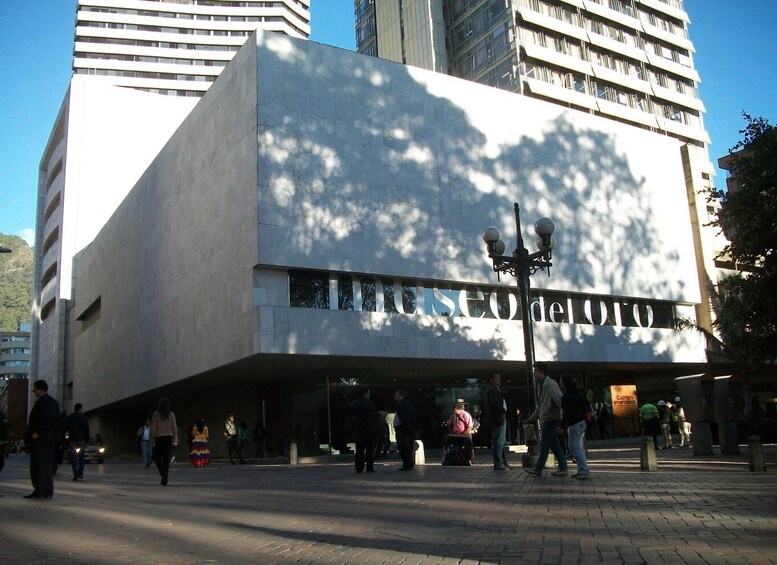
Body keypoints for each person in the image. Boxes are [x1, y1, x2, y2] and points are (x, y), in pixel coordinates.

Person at [523, 363, 568, 477]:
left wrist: (563, 417)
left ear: (542, 371)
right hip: (547, 418)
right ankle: (563, 467)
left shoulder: (550, 384)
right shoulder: (541, 386)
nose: (534, 373)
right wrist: (531, 419)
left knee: (545, 444)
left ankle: (538, 468)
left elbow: (559, 400)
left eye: (536, 371)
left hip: (551, 418)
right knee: (554, 444)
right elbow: (540, 406)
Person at [25, 379, 61, 499]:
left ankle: (39, 489)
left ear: (39, 389)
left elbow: (43, 418)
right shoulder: (53, 402)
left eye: (34, 389)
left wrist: (37, 432)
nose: (33, 391)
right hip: (50, 439)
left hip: (40, 439)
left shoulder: (41, 402)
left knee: (38, 465)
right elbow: (57, 420)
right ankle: (47, 490)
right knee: (47, 465)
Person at [560, 375, 590, 479]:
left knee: (574, 447)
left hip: (575, 423)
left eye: (561, 381)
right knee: (577, 446)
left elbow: (566, 412)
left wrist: (562, 425)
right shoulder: (576, 393)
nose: (560, 383)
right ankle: (582, 469)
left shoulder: (567, 395)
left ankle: (584, 469)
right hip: (580, 422)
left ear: (564, 383)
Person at [483, 373, 510, 470]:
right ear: (491, 379)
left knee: (500, 440)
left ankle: (502, 462)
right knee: (499, 440)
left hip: (498, 417)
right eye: (497, 378)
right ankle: (499, 463)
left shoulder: (491, 389)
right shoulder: (492, 389)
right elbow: (494, 403)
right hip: (498, 418)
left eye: (499, 378)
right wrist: (502, 411)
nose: (499, 380)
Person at [150, 397, 178, 485]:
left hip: (159, 437)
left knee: (156, 457)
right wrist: (175, 437)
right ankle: (164, 478)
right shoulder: (171, 414)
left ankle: (163, 473)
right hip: (169, 437)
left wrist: (151, 438)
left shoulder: (156, 414)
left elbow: (153, 428)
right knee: (166, 458)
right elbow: (174, 427)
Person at [349, 386, 377, 473]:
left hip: (359, 429)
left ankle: (359, 467)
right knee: (369, 449)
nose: (369, 395)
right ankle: (369, 467)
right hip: (369, 429)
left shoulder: (353, 404)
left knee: (359, 450)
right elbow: (372, 417)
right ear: (365, 394)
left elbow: (350, 417)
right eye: (368, 393)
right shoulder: (369, 404)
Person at [64, 403, 90, 481]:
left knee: (74, 458)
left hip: (73, 439)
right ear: (80, 409)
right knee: (82, 457)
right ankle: (80, 474)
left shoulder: (70, 417)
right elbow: (87, 430)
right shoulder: (84, 418)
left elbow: (65, 427)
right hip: (82, 440)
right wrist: (87, 440)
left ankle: (75, 475)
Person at [393, 389, 417, 471]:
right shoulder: (403, 404)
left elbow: (405, 417)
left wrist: (405, 426)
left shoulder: (404, 404)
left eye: (397, 394)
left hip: (403, 430)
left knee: (404, 447)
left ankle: (408, 464)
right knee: (404, 447)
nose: (395, 396)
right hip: (403, 429)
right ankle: (407, 464)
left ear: (401, 395)